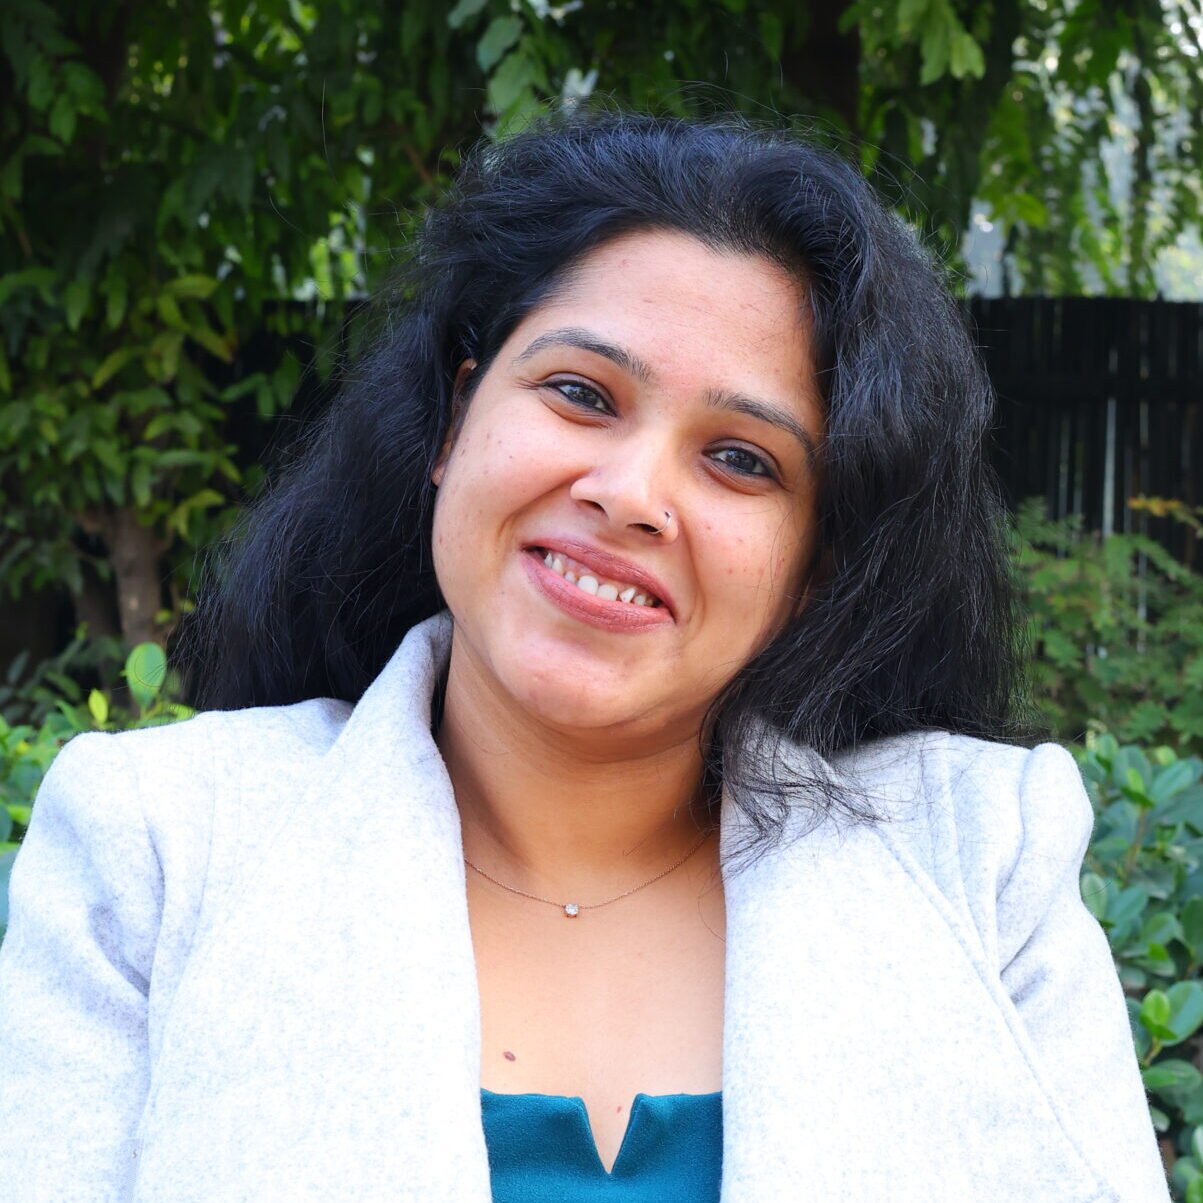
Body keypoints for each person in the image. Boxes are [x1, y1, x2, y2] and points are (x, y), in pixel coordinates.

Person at [0, 109, 1170, 1203]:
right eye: (580, 393)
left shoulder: (984, 864)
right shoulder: (157, 849)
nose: (630, 494)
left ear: (816, 563)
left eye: (741, 459)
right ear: (456, 421)